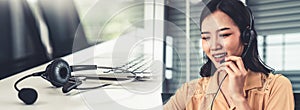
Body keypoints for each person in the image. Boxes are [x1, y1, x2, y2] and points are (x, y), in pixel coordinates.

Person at [163, 0, 294, 110]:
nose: (214, 46)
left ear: (246, 36)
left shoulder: (276, 86)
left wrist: (238, 97)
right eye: (206, 37)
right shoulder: (192, 91)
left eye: (224, 35)